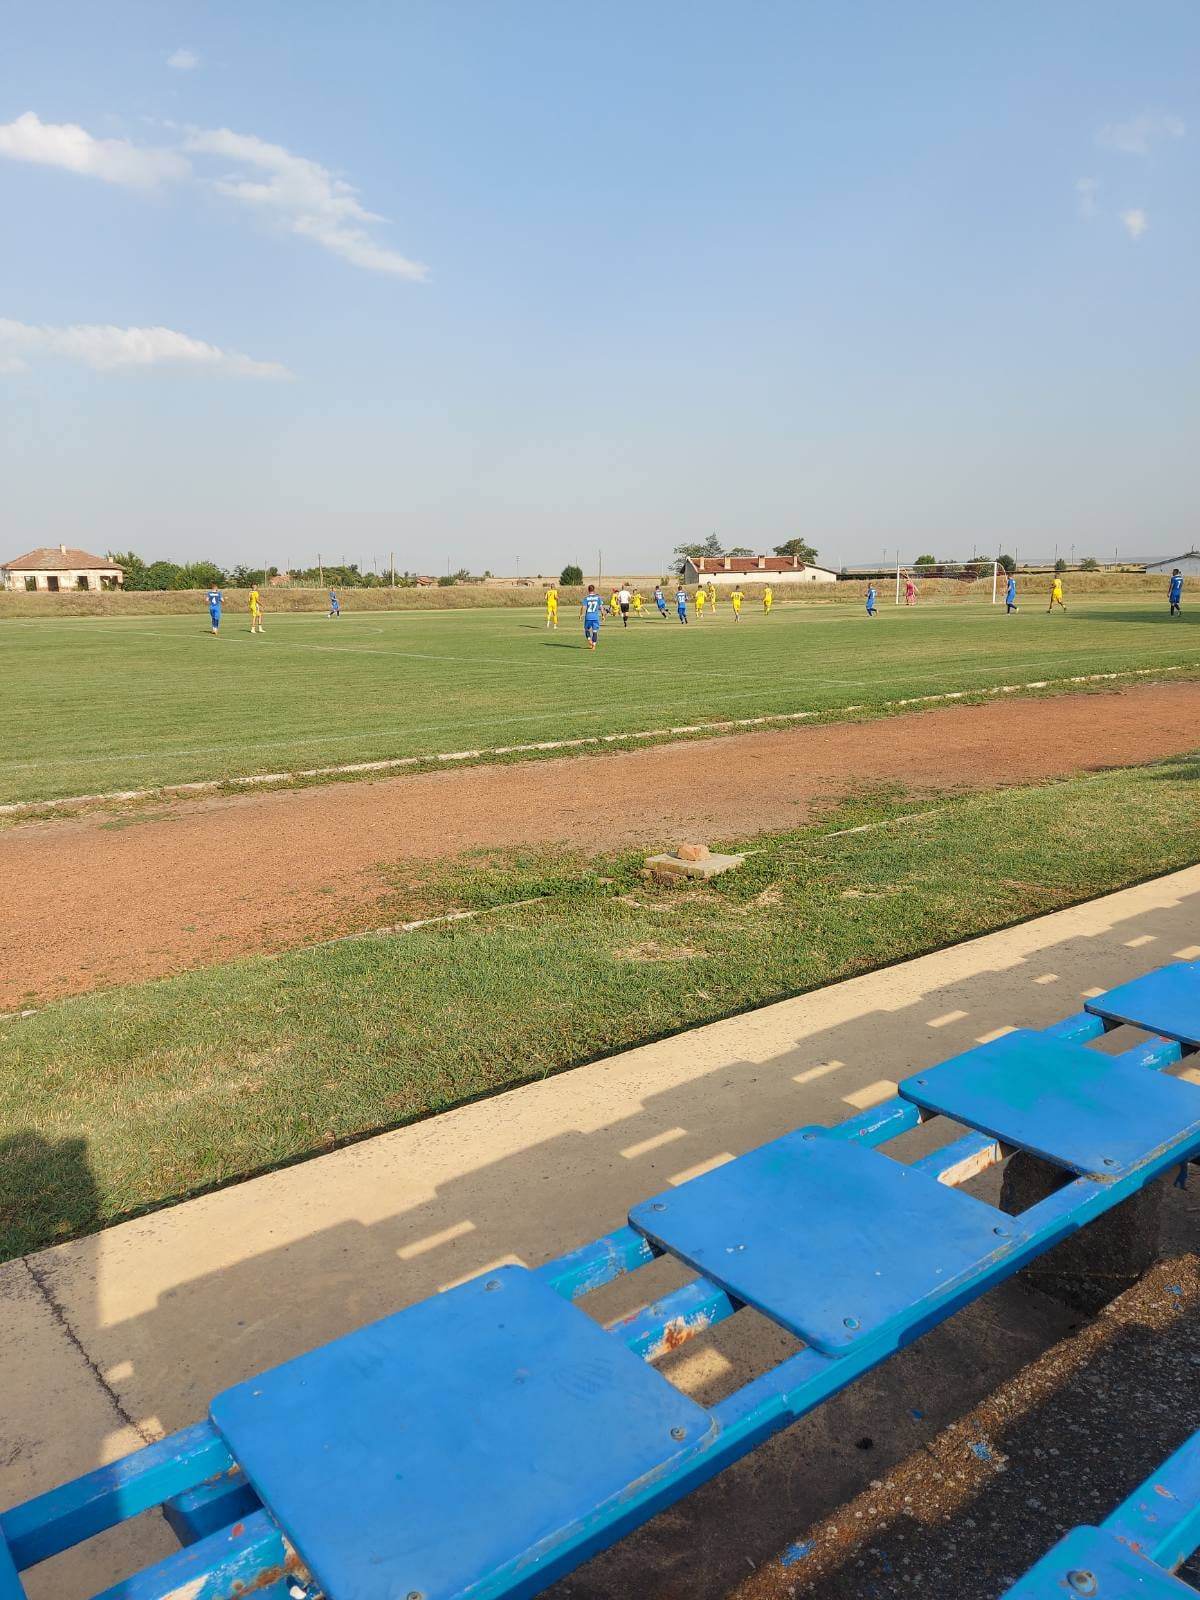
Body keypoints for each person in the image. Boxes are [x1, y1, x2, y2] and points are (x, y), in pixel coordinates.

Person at [581, 583, 603, 650]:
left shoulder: (586, 598)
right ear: (594, 590)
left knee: (586, 629)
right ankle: (594, 645)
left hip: (588, 617)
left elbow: (583, 607)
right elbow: (601, 607)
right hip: (595, 617)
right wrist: (603, 615)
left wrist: (581, 615)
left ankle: (589, 640)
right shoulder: (598, 598)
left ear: (588, 590)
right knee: (595, 631)